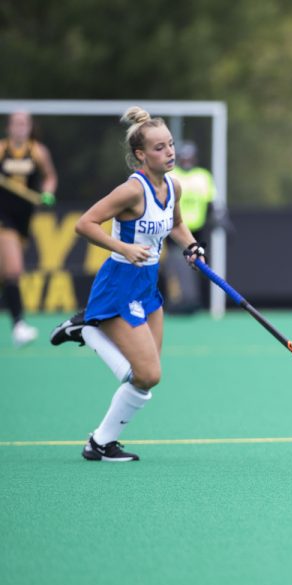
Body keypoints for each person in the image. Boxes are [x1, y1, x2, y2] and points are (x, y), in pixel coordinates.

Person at [49, 106, 205, 462]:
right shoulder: (131, 191)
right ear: (140, 154)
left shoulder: (173, 186)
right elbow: (85, 223)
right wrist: (122, 246)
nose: (169, 153)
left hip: (148, 284)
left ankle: (100, 443)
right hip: (120, 282)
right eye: (159, 148)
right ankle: (86, 328)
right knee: (148, 373)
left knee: (146, 377)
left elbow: (177, 224)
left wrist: (191, 246)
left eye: (170, 145)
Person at [0, 111, 57, 347]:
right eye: (16, 123)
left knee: (5, 274)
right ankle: (19, 325)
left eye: (24, 123)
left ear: (30, 127)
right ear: (9, 127)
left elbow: (50, 176)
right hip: (3, 216)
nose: (20, 127)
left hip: (23, 218)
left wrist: (47, 193)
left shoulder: (38, 151)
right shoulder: (1, 149)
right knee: (14, 270)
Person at [166, 140, 216, 314]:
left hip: (197, 230)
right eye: (184, 157)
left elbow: (210, 203)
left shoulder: (203, 176)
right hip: (174, 229)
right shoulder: (171, 175)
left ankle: (193, 300)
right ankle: (180, 299)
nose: (187, 161)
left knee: (197, 264)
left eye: (190, 157)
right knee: (175, 263)